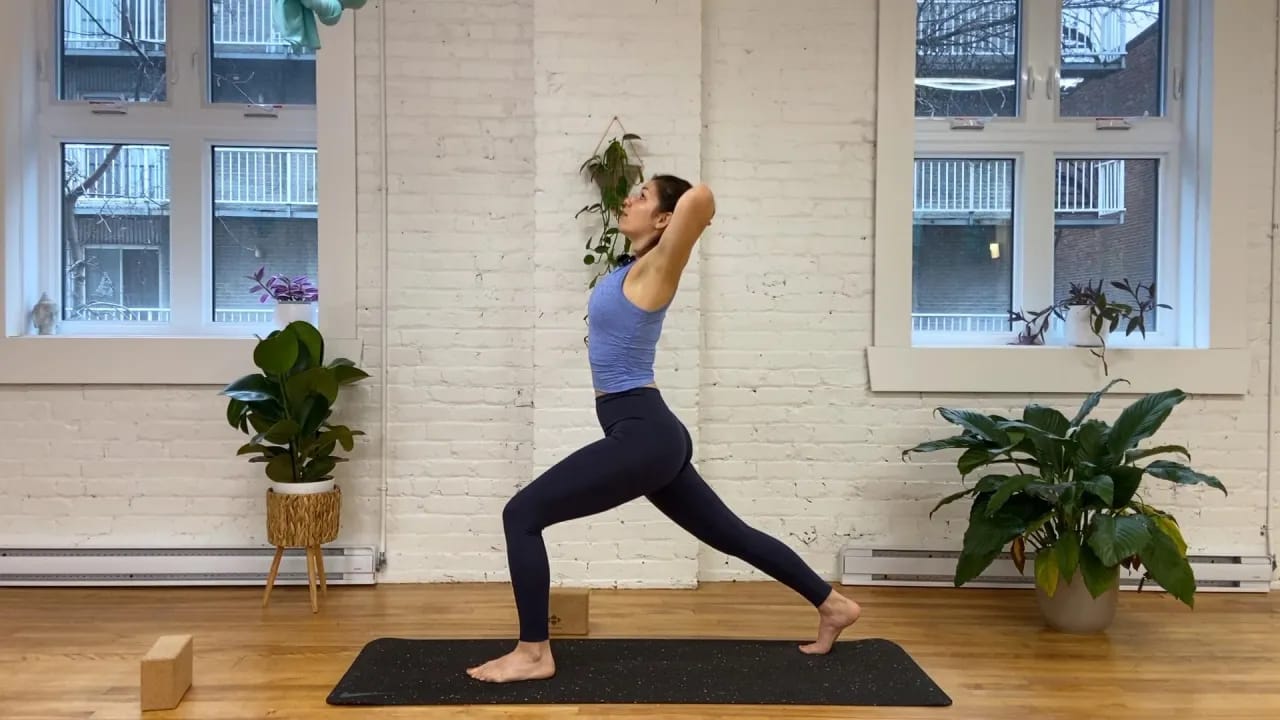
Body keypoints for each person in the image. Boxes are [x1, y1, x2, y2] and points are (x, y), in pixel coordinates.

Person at [466, 175, 861, 683]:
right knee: (730, 534)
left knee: (521, 513)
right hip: (650, 432)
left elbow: (702, 199)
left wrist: (680, 217)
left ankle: (534, 653)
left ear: (663, 220)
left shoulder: (660, 265)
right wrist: (658, 207)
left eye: (643, 196)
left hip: (642, 434)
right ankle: (832, 604)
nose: (628, 200)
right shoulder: (632, 267)